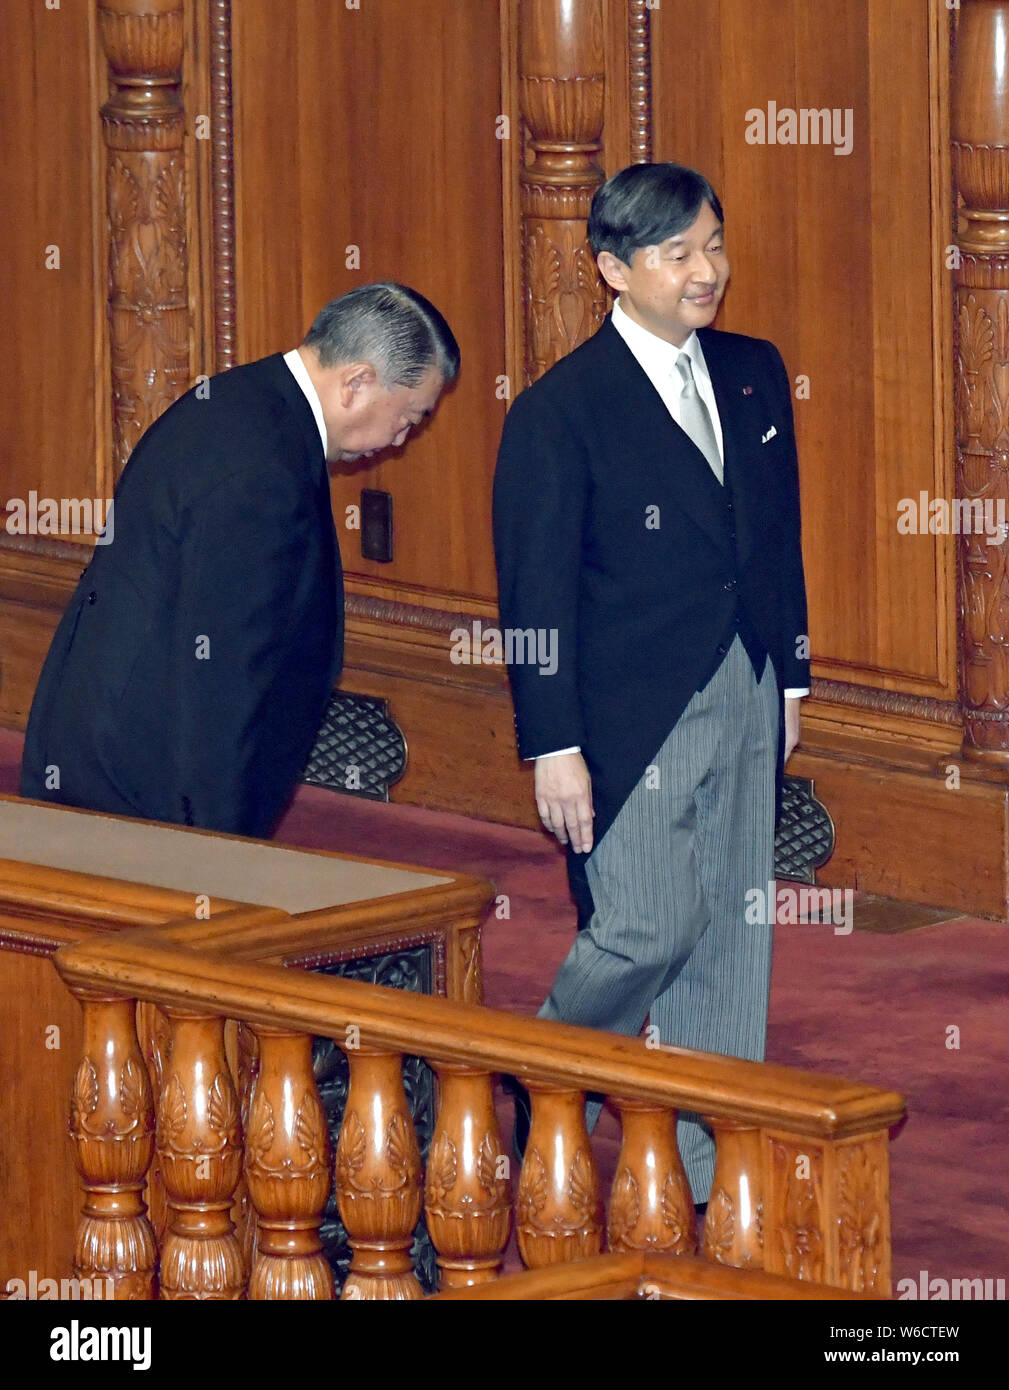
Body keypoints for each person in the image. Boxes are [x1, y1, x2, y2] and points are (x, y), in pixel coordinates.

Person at [493, 163, 809, 1203]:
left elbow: (776, 543)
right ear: (613, 269)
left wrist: (792, 676)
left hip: (748, 681)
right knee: (648, 922)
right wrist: (552, 744)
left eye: (714, 244)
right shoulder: (560, 412)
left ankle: (713, 1174)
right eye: (678, 254)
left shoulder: (756, 372)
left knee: (731, 929)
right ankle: (543, 1070)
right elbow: (534, 595)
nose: (706, 270)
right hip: (628, 713)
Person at [21, 282, 458, 837]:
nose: (401, 439)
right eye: (410, 416)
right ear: (357, 382)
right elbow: (224, 675)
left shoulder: (239, 400)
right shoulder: (265, 471)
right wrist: (221, 848)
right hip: (149, 784)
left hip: (103, 742)